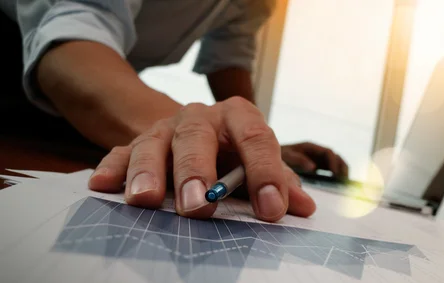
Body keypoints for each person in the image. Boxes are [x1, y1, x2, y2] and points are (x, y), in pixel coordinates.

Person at [0, 0, 348, 222]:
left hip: (96, 108)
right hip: (45, 74)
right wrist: (195, 129)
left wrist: (256, 143)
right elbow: (72, 27)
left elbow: (230, 59)